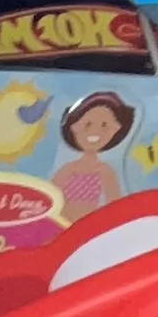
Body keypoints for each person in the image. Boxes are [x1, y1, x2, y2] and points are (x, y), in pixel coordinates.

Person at [53, 89, 137, 221]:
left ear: (115, 129)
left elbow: (114, 202)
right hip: (61, 222)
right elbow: (49, 195)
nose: (95, 131)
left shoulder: (105, 171)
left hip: (88, 223)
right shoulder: (67, 169)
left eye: (104, 125)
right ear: (74, 127)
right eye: (87, 124)